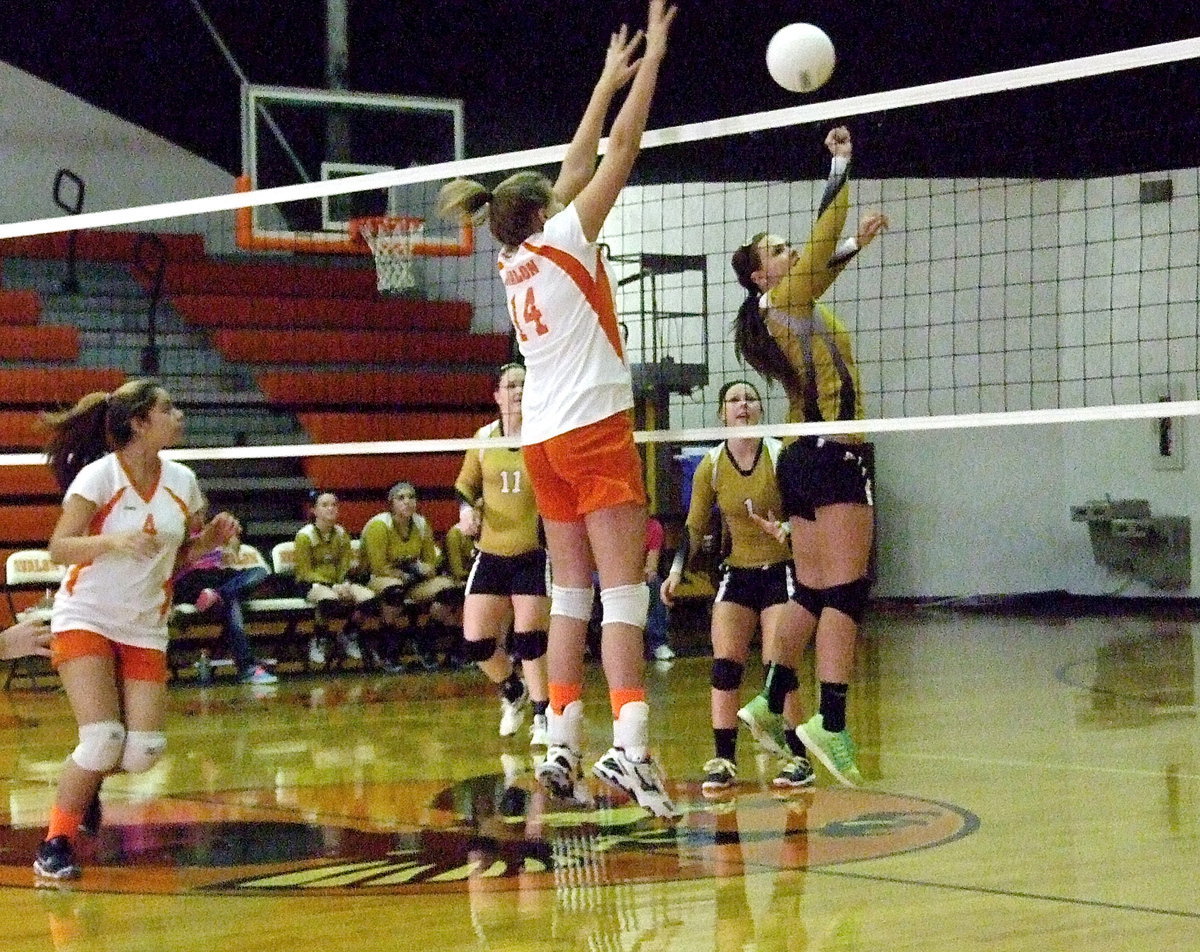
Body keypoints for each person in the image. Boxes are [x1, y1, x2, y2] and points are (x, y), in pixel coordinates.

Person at [437, 0, 677, 817]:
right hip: (593, 431)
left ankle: (561, 742)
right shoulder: (567, 238)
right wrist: (651, 62)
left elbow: (575, 163)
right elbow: (621, 152)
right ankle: (632, 750)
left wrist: (604, 80)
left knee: (571, 594)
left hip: (541, 439)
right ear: (546, 213)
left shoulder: (514, 258)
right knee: (624, 595)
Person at [729, 125, 887, 786]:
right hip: (831, 457)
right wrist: (840, 163)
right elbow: (824, 238)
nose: (791, 252)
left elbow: (824, 258)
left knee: (818, 590)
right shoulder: (783, 300)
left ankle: (769, 698)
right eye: (778, 249)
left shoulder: (790, 304)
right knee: (848, 589)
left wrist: (854, 245)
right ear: (763, 274)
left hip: (804, 458)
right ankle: (833, 721)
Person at [34, 379, 239, 881]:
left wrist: (207, 541)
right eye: (169, 409)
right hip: (87, 615)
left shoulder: (184, 483)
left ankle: (87, 782)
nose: (180, 416)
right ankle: (55, 843)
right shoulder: (99, 478)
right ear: (139, 423)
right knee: (102, 736)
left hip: (145, 623)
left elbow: (174, 562)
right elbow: (59, 548)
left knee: (143, 753)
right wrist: (112, 542)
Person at [661, 380, 814, 794]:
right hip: (738, 572)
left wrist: (783, 530)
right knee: (725, 663)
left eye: (750, 399)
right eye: (734, 400)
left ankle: (798, 757)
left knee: (778, 664)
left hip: (780, 569)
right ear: (721, 413)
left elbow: (804, 519)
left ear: (760, 410)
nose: (742, 405)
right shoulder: (711, 465)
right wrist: (676, 570)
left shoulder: (779, 455)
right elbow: (694, 527)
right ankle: (725, 759)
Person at [453, 362, 551, 747]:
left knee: (529, 639)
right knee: (476, 642)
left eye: (524, 384)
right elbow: (464, 485)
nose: (518, 391)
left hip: (531, 553)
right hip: (491, 553)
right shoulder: (483, 439)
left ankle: (543, 714)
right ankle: (514, 691)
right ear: (497, 395)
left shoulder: (543, 438)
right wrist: (466, 510)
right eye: (510, 385)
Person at [360, 481, 463, 672]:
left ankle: (425, 640)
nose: (407, 502)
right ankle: (387, 651)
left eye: (411, 497)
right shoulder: (379, 525)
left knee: (450, 590)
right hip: (381, 577)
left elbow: (431, 564)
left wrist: (423, 569)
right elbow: (378, 566)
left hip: (412, 578)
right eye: (401, 498)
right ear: (391, 503)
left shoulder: (421, 524)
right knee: (394, 592)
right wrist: (405, 571)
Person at [173, 524, 277, 685]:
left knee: (259, 571)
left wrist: (232, 548)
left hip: (218, 577)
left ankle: (219, 594)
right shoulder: (177, 532)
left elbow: (233, 540)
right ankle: (247, 667)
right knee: (232, 602)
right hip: (191, 578)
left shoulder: (210, 530)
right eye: (196, 513)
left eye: (202, 512)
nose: (200, 517)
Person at [294, 491, 374, 665]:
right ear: (314, 510)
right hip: (312, 584)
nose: (331, 508)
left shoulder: (341, 534)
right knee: (329, 599)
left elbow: (344, 565)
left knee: (369, 598)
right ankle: (319, 638)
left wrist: (344, 583)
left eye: (334, 505)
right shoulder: (304, 536)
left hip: (337, 582)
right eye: (325, 505)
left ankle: (348, 633)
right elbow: (305, 572)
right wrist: (332, 585)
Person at [642, 514, 673, 662]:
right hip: (606, 575)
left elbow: (651, 566)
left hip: (638, 575)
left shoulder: (653, 527)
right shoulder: (613, 524)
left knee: (655, 583)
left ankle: (658, 643)